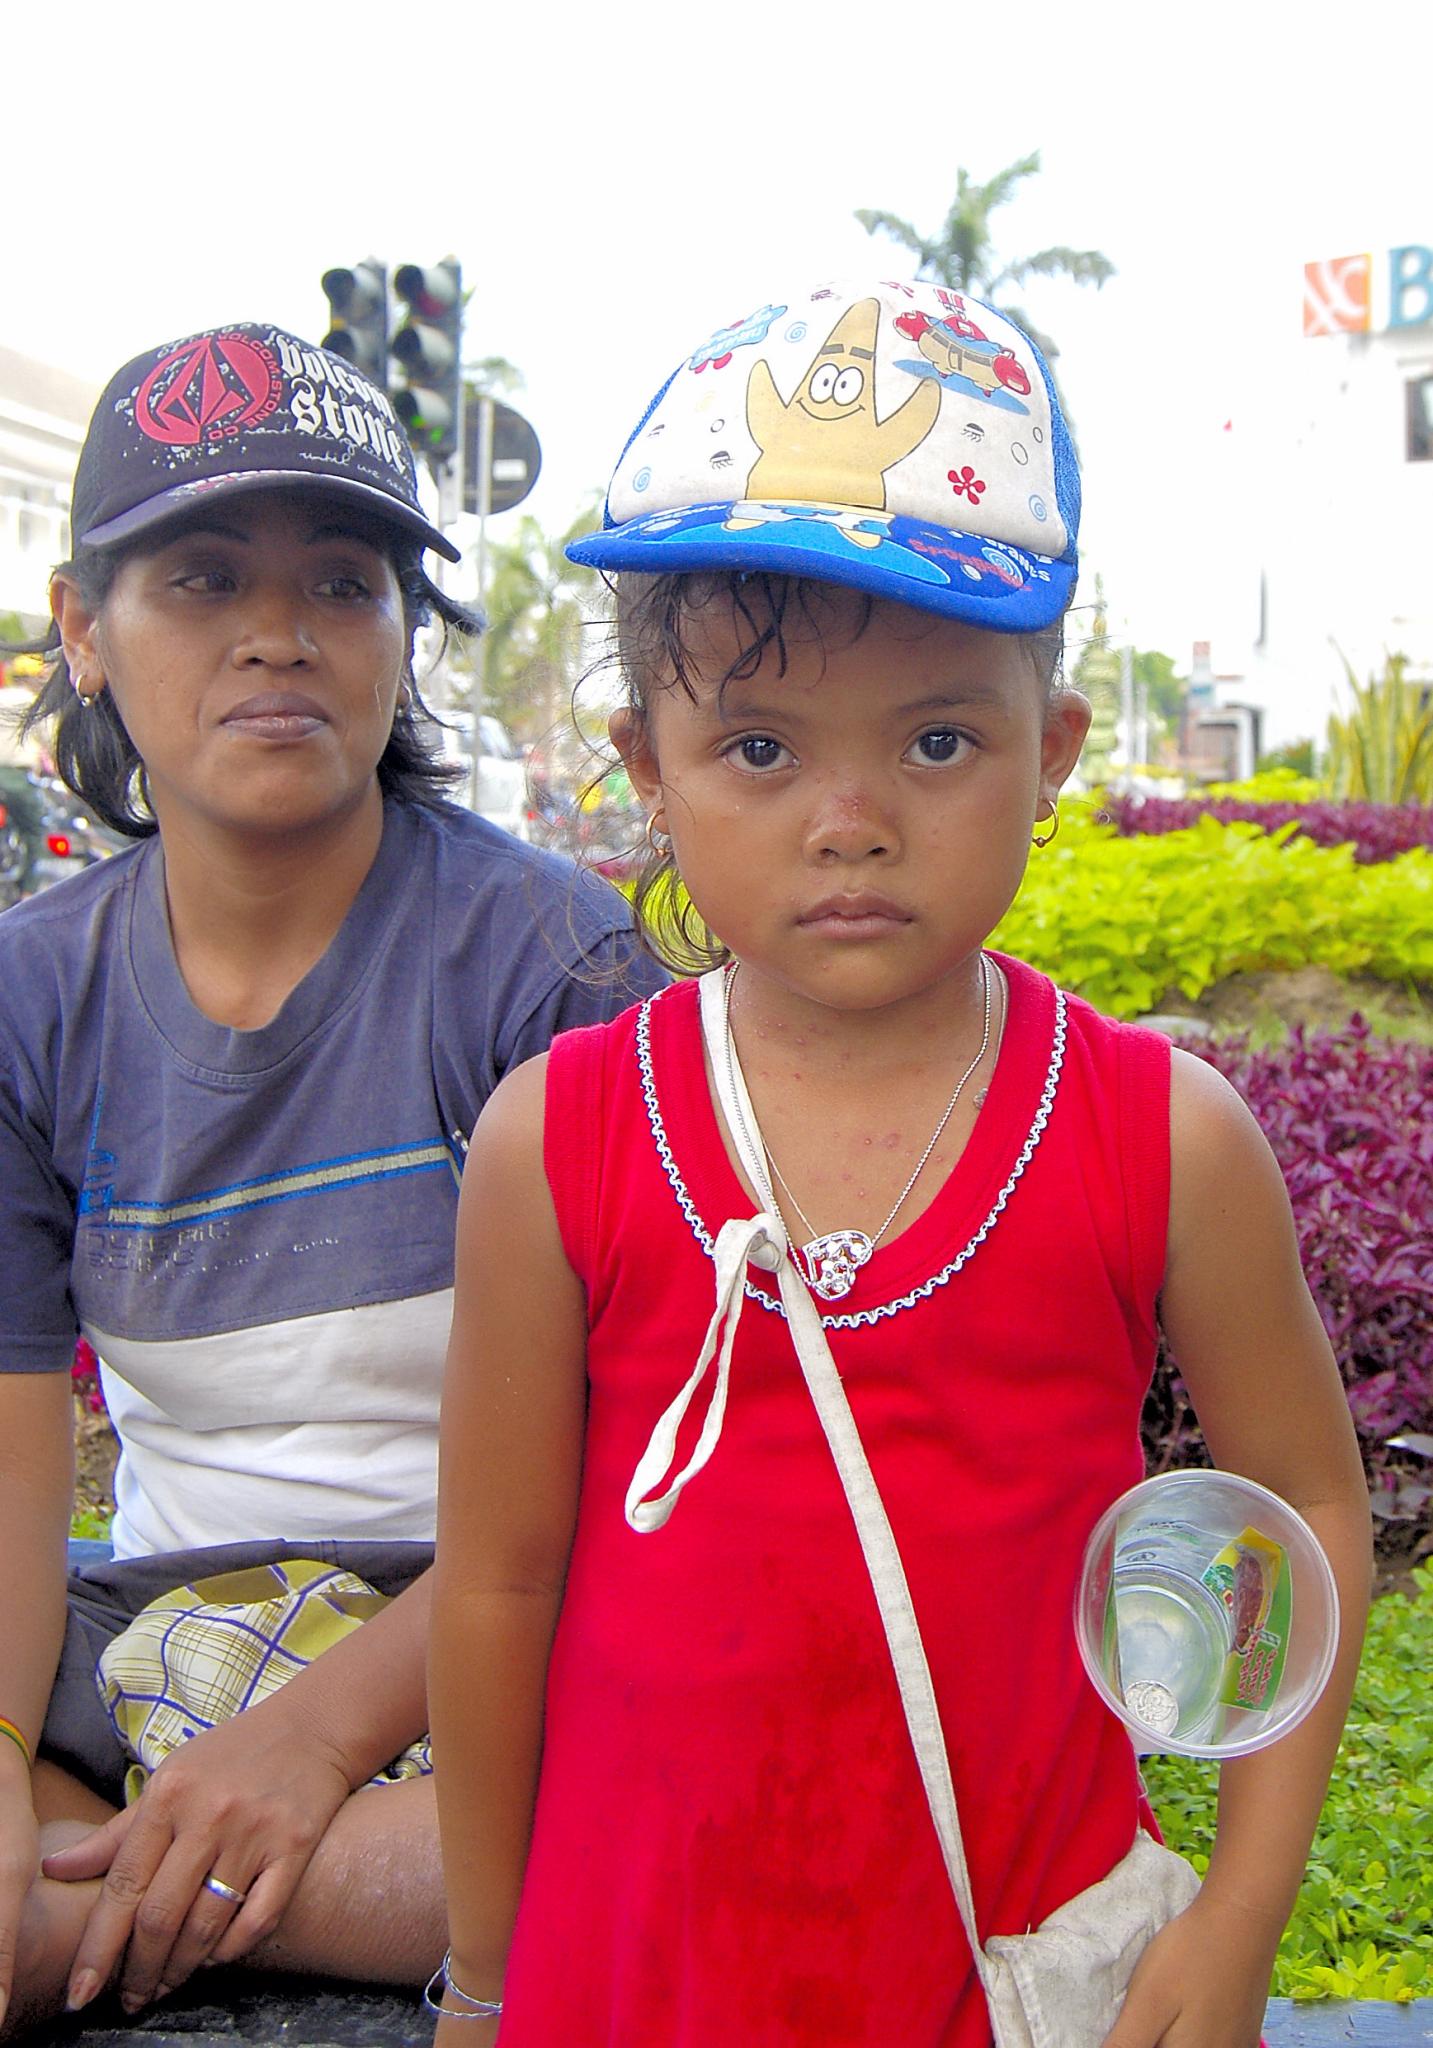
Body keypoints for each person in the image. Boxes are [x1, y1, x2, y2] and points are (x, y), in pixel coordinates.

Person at [427, 279, 1372, 2047]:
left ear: (1050, 752)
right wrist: (485, 1978)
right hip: (640, 1975)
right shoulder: (555, 1141)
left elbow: (1308, 1509)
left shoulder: (1162, 1137)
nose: (849, 821)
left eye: (937, 741)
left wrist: (1237, 1918)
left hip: (1004, 1968)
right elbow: (493, 1585)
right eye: (758, 749)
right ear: (647, 770)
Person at [0, 320, 665, 2039]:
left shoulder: (551, 969)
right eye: (202, 578)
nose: (279, 634)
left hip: (505, 1637)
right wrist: (1, 1760)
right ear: (84, 630)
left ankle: (102, 1923)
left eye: (344, 583)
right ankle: (208, 1891)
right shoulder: (30, 998)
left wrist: (308, 1742)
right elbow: (11, 1453)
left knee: (694, 1781)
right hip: (158, 1647)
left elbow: (646, 1462)